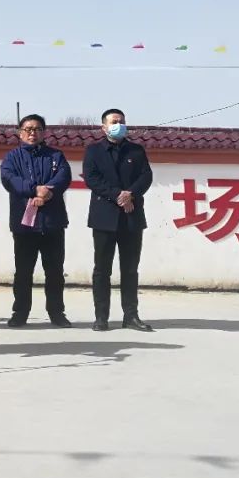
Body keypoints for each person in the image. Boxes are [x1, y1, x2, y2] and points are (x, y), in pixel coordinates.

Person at [82, 108, 154, 332]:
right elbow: (92, 178)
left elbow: (146, 176)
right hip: (104, 217)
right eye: (114, 122)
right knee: (102, 270)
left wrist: (130, 194)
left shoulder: (136, 150)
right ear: (104, 127)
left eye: (121, 121)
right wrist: (117, 195)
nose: (118, 125)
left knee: (130, 269)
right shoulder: (93, 151)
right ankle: (101, 317)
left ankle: (131, 316)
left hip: (131, 216)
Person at [0, 114, 73, 328]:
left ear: (44, 132)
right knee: (23, 272)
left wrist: (48, 192)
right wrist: (34, 190)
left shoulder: (56, 155)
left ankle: (57, 313)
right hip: (24, 225)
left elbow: (63, 176)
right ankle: (20, 313)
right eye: (28, 129)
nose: (33, 133)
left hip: (52, 222)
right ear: (20, 132)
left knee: (55, 272)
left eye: (37, 129)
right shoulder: (12, 157)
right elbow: (10, 179)